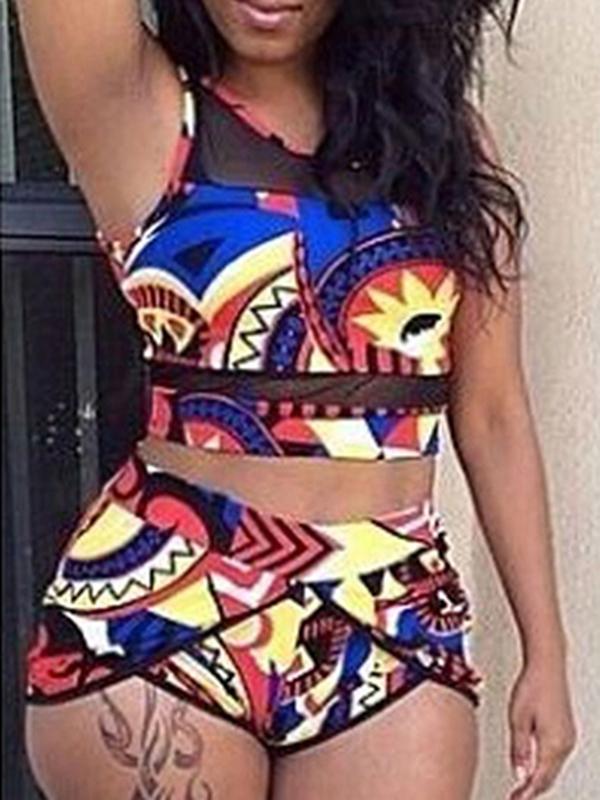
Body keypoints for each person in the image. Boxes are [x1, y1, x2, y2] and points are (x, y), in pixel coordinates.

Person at [17, 1, 576, 798]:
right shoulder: (139, 112)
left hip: (391, 614)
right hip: (163, 608)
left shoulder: (442, 143)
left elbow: (493, 415)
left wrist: (544, 650)